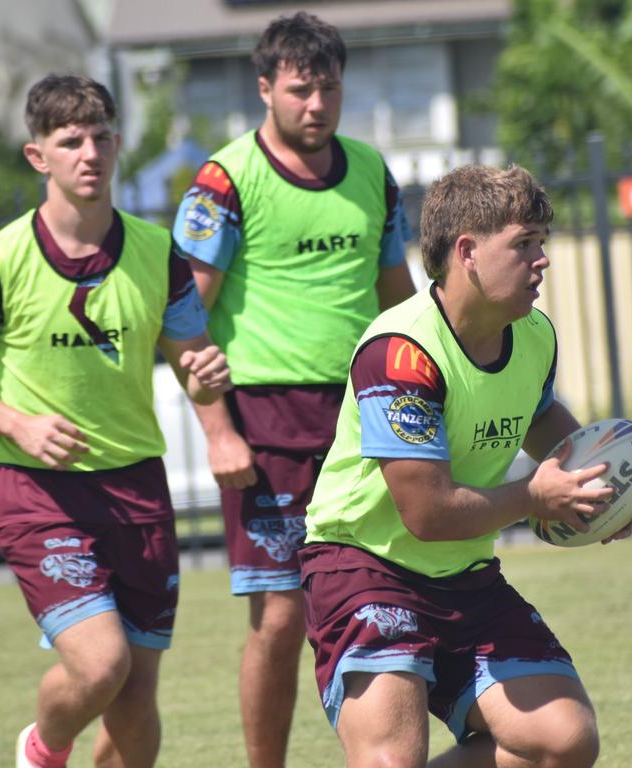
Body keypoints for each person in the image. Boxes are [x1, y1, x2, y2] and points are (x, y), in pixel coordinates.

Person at [298, 164, 632, 768]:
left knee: (563, 743)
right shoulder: (403, 353)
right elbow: (427, 511)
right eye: (523, 244)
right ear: (466, 251)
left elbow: (539, 417)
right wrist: (534, 498)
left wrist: (606, 485)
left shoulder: (534, 334)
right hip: (365, 568)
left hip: (464, 575)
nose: (541, 260)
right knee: (392, 759)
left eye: (542, 242)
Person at [0, 74, 231, 768]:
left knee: (134, 694)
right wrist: (18, 423)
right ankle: (43, 748)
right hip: (40, 491)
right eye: (69, 141)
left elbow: (193, 361)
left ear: (118, 143)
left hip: (138, 491)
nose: (88, 153)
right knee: (100, 665)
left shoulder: (160, 255)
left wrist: (207, 381)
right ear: (39, 157)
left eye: (99, 138)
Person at [169, 11, 417, 768]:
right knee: (280, 617)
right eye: (301, 90)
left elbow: (400, 304)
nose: (317, 105)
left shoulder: (373, 172)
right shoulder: (224, 181)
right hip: (265, 424)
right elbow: (180, 314)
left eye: (330, 89)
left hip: (359, 421)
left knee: (384, 604)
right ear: (265, 88)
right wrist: (218, 430)